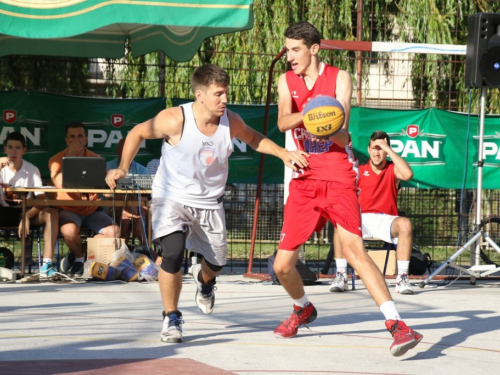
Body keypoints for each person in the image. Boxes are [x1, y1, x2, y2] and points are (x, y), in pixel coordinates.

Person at [105, 64, 309, 344]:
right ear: (199, 95)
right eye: (218, 94)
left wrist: (282, 153)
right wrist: (123, 168)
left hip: (209, 203)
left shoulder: (231, 121)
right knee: (172, 253)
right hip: (171, 197)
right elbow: (136, 133)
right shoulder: (175, 119)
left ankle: (204, 280)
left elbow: (254, 138)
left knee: (216, 263)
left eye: (226, 93)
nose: (224, 99)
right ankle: (171, 317)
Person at [272, 21, 422, 357]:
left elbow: (342, 133)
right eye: (287, 50)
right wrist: (313, 114)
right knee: (282, 266)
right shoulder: (287, 81)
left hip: (338, 172)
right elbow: (283, 121)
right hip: (304, 176)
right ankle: (303, 308)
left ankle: (397, 325)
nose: (290, 56)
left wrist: (321, 119)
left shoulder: (340, 78)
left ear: (314, 49)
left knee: (355, 250)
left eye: (296, 49)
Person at [330, 130, 415, 294]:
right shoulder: (359, 169)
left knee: (405, 224)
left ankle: (402, 278)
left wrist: (388, 149)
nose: (377, 152)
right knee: (339, 220)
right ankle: (341, 274)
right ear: (368, 150)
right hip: (360, 219)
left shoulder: (393, 170)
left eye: (381, 148)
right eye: (374, 148)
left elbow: (408, 174)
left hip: (386, 220)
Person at [49, 122, 120, 277]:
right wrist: (70, 157)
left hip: (92, 209)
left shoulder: (96, 159)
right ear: (66, 140)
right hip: (68, 209)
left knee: (114, 231)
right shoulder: (56, 159)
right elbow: (59, 182)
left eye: (80, 136)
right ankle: (81, 259)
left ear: (86, 139)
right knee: (68, 230)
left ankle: (76, 254)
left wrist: (111, 185)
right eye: (72, 137)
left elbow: (108, 192)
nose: (77, 140)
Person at [0, 132, 59, 279]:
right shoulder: (0, 168)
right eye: (10, 147)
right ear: (5, 149)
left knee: (51, 213)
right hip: (3, 211)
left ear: (24, 150)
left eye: (18, 148)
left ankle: (47, 265)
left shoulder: (32, 170)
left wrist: (28, 215)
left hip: (26, 212)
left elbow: (41, 198)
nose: (14, 151)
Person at [107, 137, 149, 245]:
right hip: (110, 209)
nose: (127, 153)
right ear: (117, 150)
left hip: (136, 211)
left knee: (125, 219)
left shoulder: (142, 170)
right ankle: (148, 249)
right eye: (123, 149)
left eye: (130, 150)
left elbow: (148, 196)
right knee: (129, 211)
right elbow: (105, 195)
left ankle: (123, 255)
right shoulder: (107, 167)